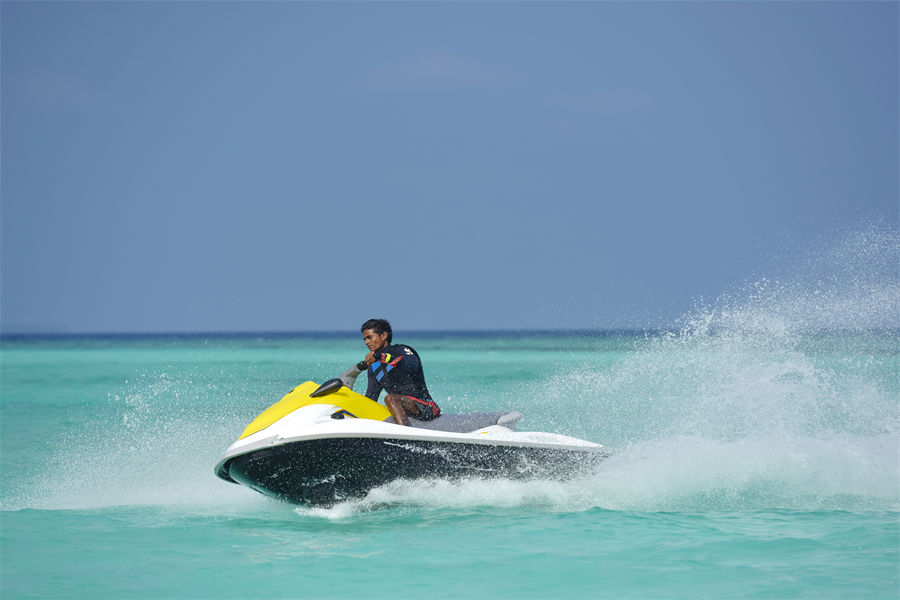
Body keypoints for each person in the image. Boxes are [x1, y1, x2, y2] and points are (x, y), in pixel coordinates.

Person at [360, 318, 440, 426]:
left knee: (390, 399)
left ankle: (407, 435)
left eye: (369, 337)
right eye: (364, 339)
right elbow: (370, 399)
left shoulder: (401, 350)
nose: (366, 342)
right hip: (403, 408)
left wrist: (381, 356)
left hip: (426, 407)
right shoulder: (374, 367)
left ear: (384, 335)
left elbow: (412, 365)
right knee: (387, 401)